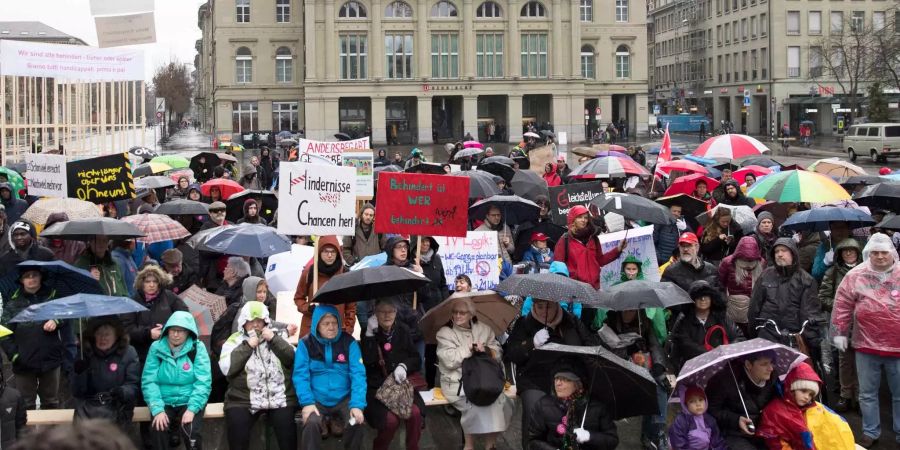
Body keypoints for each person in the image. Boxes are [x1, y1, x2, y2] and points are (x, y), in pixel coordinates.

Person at [831, 233, 900, 448]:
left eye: (884, 252)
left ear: (892, 253)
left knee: (899, 395)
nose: (879, 257)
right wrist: (839, 333)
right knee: (867, 393)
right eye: (875, 253)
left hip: (897, 346)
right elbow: (842, 305)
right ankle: (870, 431)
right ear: (868, 253)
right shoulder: (856, 275)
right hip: (865, 346)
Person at [504, 298, 599, 448]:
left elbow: (591, 346)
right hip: (535, 380)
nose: (544, 311)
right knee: (534, 408)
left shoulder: (571, 321)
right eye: (540, 307)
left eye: (548, 306)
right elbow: (512, 353)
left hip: (568, 378)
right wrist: (531, 343)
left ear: (556, 304)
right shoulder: (524, 323)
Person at [437, 296, 513, 450]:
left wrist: (485, 350)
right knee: (472, 401)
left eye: (462, 313)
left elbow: (498, 352)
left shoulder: (484, 329)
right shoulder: (445, 333)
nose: (458, 315)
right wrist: (468, 349)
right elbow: (448, 360)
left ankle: (490, 445)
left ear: (471, 314)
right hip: (457, 380)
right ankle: (469, 446)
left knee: (499, 400)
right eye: (455, 312)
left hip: (485, 377)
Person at [219, 301, 298, 450]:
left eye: (259, 321)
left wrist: (274, 339)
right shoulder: (234, 340)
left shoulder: (275, 335)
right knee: (237, 433)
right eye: (251, 322)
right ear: (243, 323)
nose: (255, 325)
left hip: (279, 397)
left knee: (287, 435)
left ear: (265, 321)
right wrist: (248, 346)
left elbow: (293, 358)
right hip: (243, 399)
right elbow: (227, 368)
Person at [293, 304, 367, 450]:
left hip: (343, 399)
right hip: (316, 399)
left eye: (334, 323)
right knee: (310, 423)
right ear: (317, 325)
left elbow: (358, 375)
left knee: (357, 422)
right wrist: (307, 402)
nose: (331, 327)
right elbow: (300, 376)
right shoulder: (305, 344)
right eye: (326, 323)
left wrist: (357, 405)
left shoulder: (349, 343)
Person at [0, 267, 73, 410]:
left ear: (41, 277)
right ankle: (28, 433)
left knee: (51, 401)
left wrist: (56, 320)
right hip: (23, 362)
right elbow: (3, 333)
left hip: (51, 358)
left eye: (35, 275)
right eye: (27, 276)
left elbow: (66, 313)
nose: (31, 278)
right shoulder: (13, 304)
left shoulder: (53, 298)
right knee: (26, 404)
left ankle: (51, 433)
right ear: (21, 281)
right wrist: (14, 355)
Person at [141, 311, 212, 450]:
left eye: (181, 331)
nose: (175, 334)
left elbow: (203, 381)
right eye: (173, 330)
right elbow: (149, 381)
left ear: (188, 332)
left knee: (190, 430)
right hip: (164, 400)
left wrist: (192, 409)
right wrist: (157, 409)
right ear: (167, 330)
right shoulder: (156, 348)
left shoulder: (197, 348)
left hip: (189, 399)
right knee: (158, 428)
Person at [360, 298, 424, 450]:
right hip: (377, 388)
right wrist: (369, 334)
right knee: (390, 421)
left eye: (391, 311)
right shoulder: (368, 332)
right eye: (382, 311)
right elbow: (368, 361)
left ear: (396, 313)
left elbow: (415, 358)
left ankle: (413, 447)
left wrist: (403, 366)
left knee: (414, 413)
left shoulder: (403, 330)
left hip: (400, 385)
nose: (387, 315)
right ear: (375, 313)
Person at [553, 205, 625, 324]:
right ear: (572, 219)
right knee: (577, 324)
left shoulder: (593, 239)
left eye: (586, 217)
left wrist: (617, 250)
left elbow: (600, 260)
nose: (584, 220)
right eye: (580, 217)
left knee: (591, 322)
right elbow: (557, 267)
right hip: (575, 292)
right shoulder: (564, 241)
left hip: (593, 290)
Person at [748, 238, 822, 351]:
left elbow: (810, 312)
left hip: (794, 336)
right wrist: (753, 331)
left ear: (793, 253)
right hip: (767, 332)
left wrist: (812, 340)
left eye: (783, 250)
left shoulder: (806, 279)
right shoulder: (766, 275)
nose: (780, 254)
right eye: (777, 251)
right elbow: (754, 306)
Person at [758, 363, 855, 450]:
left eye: (810, 395)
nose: (806, 397)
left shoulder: (814, 408)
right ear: (791, 388)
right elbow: (775, 441)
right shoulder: (775, 411)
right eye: (803, 391)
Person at [71, 318, 140, 429]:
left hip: (117, 408)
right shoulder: (85, 353)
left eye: (107, 334)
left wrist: (122, 392)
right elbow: (77, 392)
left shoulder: (129, 352)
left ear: (116, 336)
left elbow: (133, 385)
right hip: (89, 409)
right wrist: (79, 374)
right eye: (99, 334)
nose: (103, 338)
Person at [816, 238, 860, 413]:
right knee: (843, 360)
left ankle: (859, 395)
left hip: (861, 324)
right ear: (840, 254)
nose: (848, 253)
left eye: (852, 250)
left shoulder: (866, 272)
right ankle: (845, 394)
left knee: (861, 361)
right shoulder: (832, 272)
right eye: (845, 251)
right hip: (841, 322)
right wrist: (841, 303)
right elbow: (822, 297)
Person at [528, 367, 619, 450]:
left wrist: (589, 436)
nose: (558, 383)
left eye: (565, 379)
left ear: (578, 384)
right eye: (556, 378)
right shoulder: (544, 404)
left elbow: (612, 441)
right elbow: (533, 441)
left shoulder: (597, 407)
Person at [706, 351, 777, 449]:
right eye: (764, 364)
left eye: (771, 362)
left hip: (763, 431)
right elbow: (711, 410)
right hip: (731, 434)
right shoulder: (725, 380)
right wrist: (736, 420)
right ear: (748, 364)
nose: (770, 368)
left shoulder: (772, 378)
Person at [669, 280, 744, 371]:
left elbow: (739, 337)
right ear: (692, 300)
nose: (703, 299)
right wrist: (712, 354)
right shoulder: (683, 321)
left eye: (706, 296)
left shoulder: (721, 317)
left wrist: (725, 351)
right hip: (695, 368)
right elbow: (683, 346)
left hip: (722, 367)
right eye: (699, 296)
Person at [121, 265, 189, 363]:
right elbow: (126, 329)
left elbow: (184, 315)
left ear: (159, 283)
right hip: (142, 355)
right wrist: (148, 333)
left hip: (167, 352)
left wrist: (167, 328)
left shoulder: (169, 296)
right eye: (148, 281)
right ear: (142, 283)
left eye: (155, 281)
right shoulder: (133, 302)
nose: (151, 285)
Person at [294, 235, 355, 337]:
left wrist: (347, 330)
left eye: (333, 251)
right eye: (326, 251)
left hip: (336, 331)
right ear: (319, 252)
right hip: (312, 330)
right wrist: (308, 308)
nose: (330, 255)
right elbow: (298, 298)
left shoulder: (344, 274)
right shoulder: (309, 272)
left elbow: (351, 307)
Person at [717, 236, 765, 335]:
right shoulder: (727, 263)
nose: (748, 264)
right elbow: (720, 284)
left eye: (751, 261)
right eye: (745, 260)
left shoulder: (762, 263)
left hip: (755, 308)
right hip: (734, 308)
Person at [661, 232, 721, 296]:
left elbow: (719, 295)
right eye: (682, 246)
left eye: (689, 245)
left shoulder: (711, 269)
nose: (685, 249)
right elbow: (665, 296)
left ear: (697, 247)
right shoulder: (671, 271)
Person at [668, 385, 727, 450]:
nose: (698, 404)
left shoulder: (710, 420)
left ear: (706, 401)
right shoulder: (681, 421)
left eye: (700, 400)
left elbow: (717, 442)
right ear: (686, 404)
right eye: (692, 401)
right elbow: (679, 444)